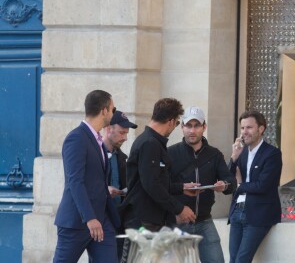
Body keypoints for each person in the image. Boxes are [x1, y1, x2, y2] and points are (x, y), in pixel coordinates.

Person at [120, 98, 199, 262]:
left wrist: (181, 188)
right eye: (177, 123)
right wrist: (179, 208)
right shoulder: (150, 143)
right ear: (170, 121)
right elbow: (151, 184)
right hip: (144, 221)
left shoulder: (153, 142)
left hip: (153, 220)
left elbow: (156, 180)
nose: (174, 127)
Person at [53, 90, 120, 263]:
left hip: (102, 219)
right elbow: (75, 181)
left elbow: (94, 178)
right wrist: (89, 218)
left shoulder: (97, 139)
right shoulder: (76, 138)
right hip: (76, 221)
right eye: (113, 109)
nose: (114, 113)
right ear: (104, 110)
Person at [168, 106, 237, 263]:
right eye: (188, 126)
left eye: (197, 125)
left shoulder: (214, 154)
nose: (192, 131)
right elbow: (161, 186)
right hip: (178, 222)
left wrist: (223, 185)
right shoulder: (170, 153)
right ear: (182, 127)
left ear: (204, 127)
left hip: (205, 222)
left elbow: (231, 182)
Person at [228, 110, 282, 263]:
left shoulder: (272, 154)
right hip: (237, 211)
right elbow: (226, 179)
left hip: (258, 213)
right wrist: (233, 157)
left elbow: (262, 186)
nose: (245, 132)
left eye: (249, 127)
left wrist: (239, 185)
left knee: (241, 260)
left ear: (261, 128)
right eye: (243, 128)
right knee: (233, 259)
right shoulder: (241, 153)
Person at [102, 110, 138, 260]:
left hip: (118, 219)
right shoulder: (95, 153)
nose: (125, 137)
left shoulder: (123, 158)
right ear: (109, 129)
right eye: (122, 132)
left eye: (126, 133)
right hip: (100, 219)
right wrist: (105, 190)